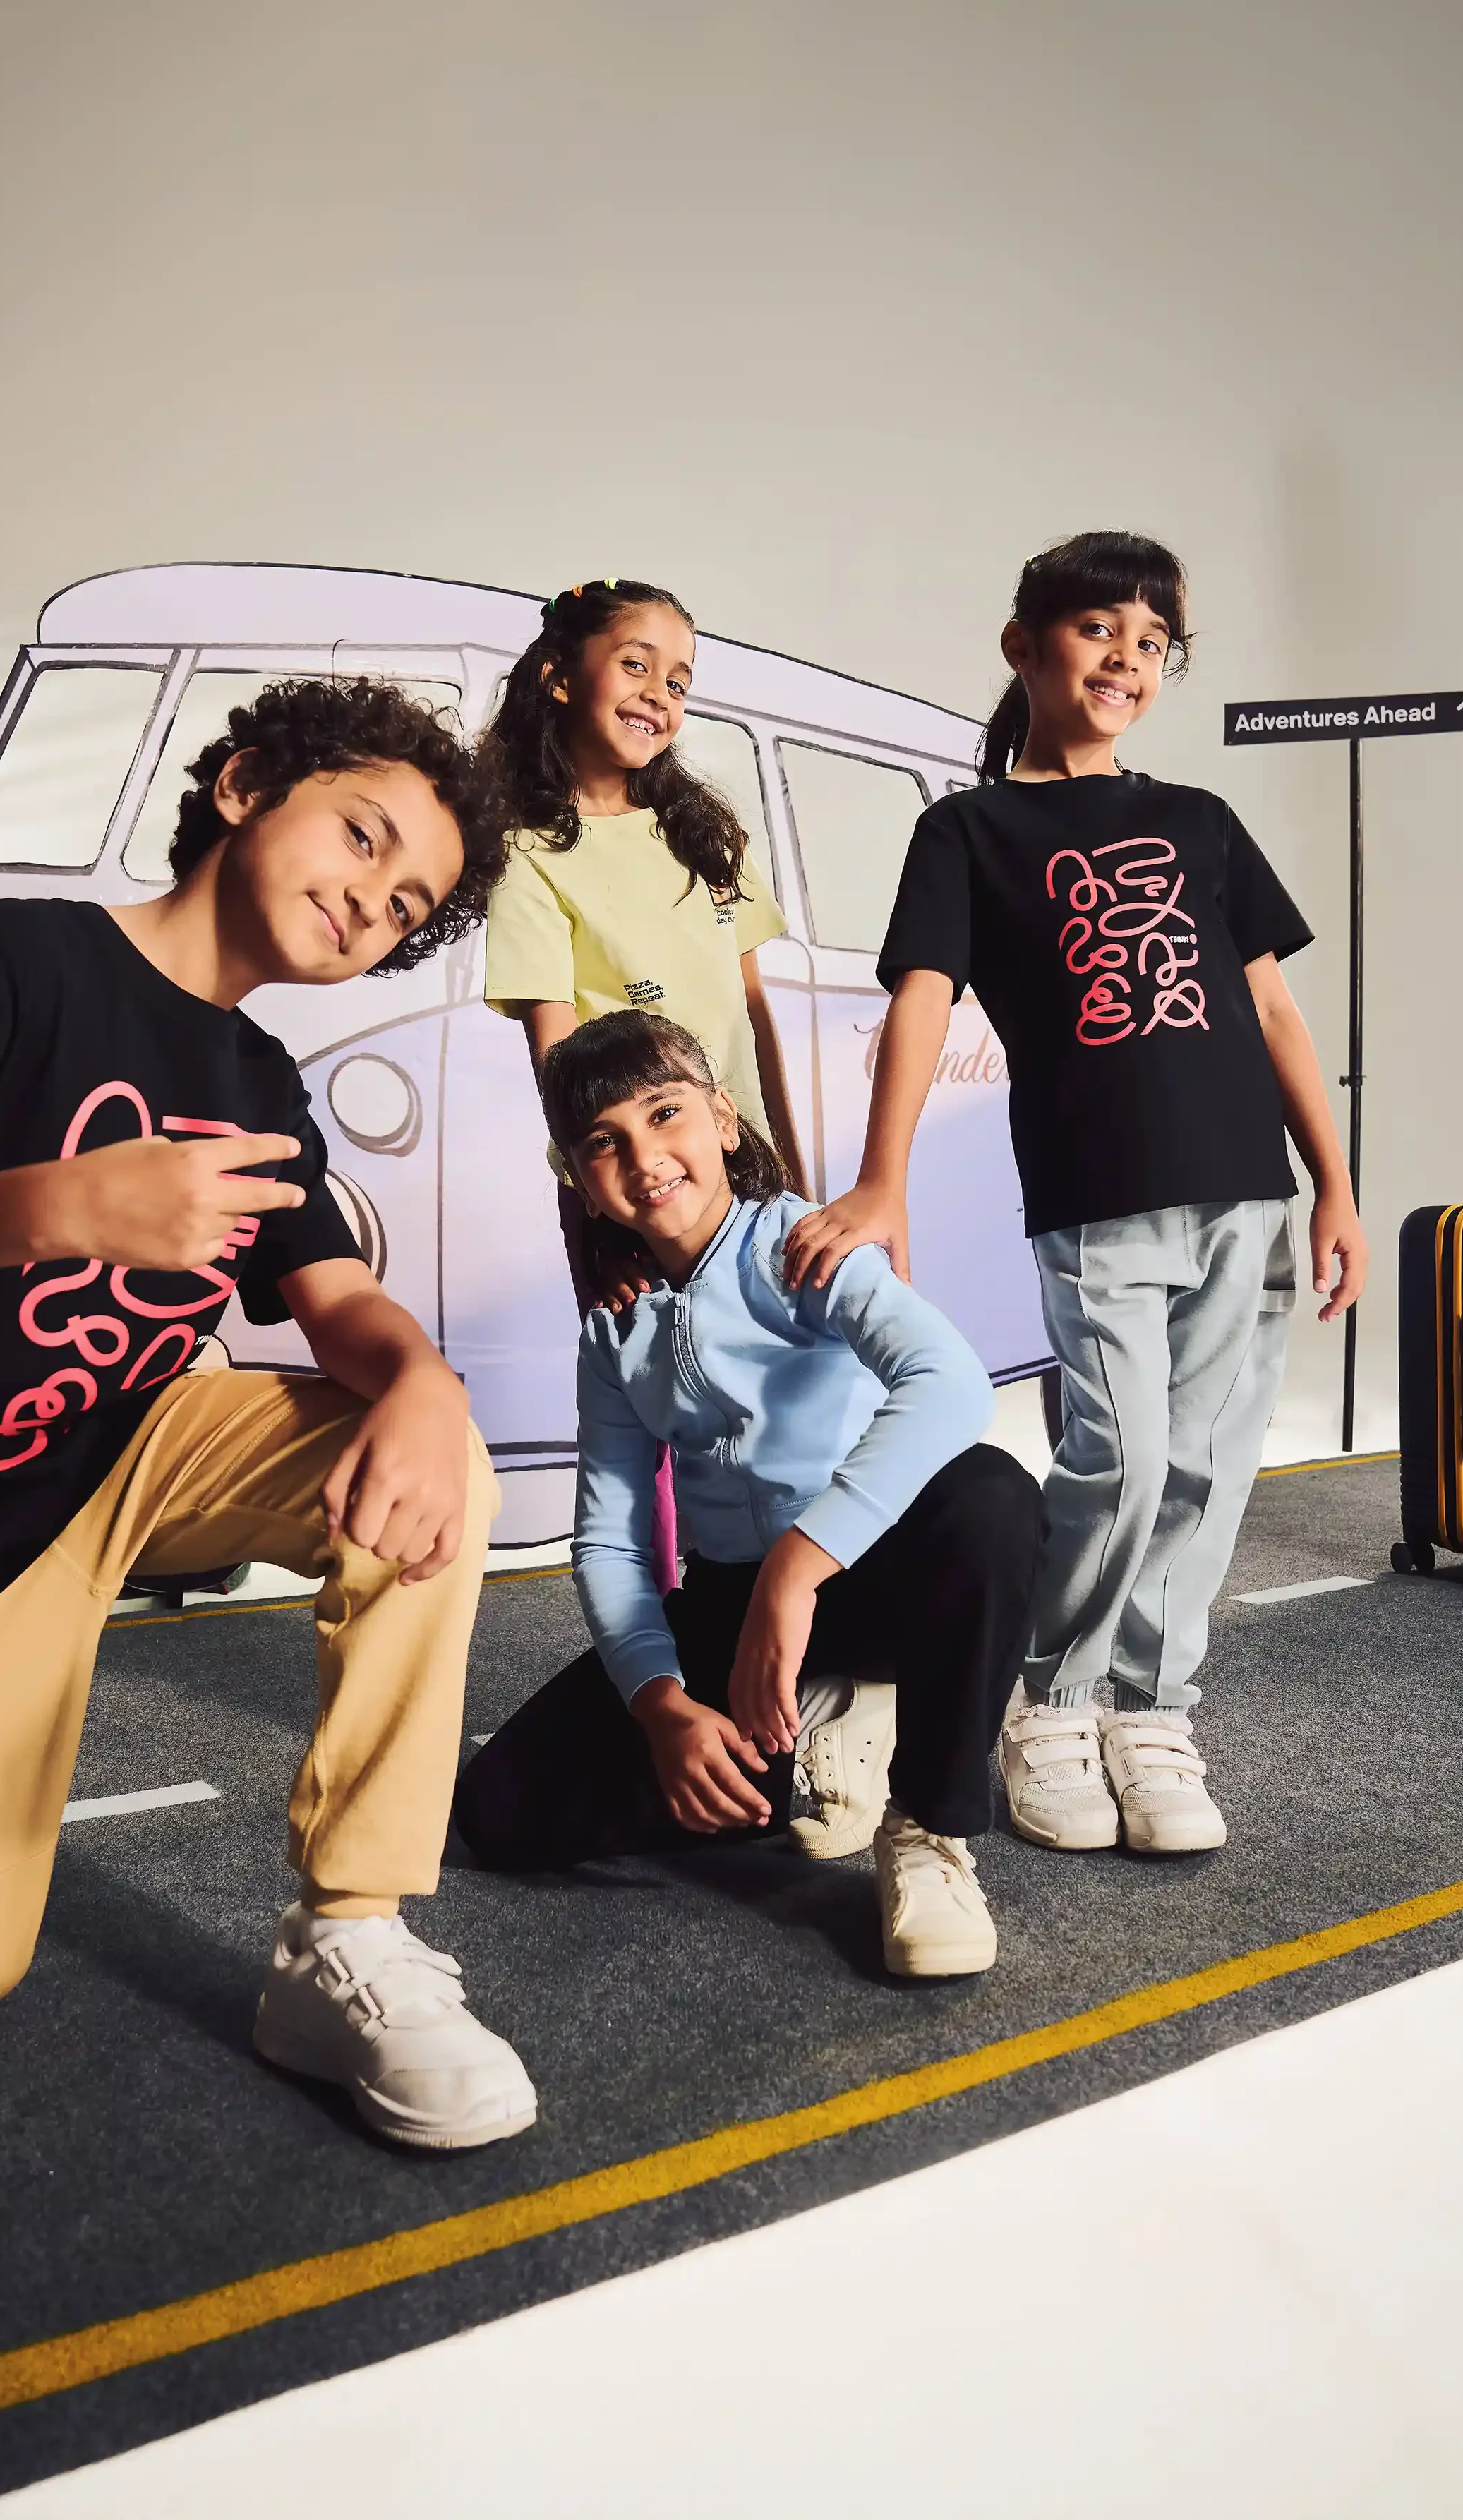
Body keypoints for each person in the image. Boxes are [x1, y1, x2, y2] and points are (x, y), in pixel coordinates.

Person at [0, 677, 536, 2152]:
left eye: (411, 901)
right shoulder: (22, 957)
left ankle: (349, 1937)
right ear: (244, 787)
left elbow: (337, 1301)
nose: (376, 904)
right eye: (363, 840)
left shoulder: (260, 1084)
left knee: (431, 1458)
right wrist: (62, 1205)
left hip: (124, 1460)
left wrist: (425, 1380)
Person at [785, 531, 1367, 1857]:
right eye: (1101, 629)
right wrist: (883, 1177)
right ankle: (1052, 1700)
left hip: (1245, 1190)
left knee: (1211, 1468)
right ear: (1025, 646)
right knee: (1124, 1453)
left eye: (1152, 643)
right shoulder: (970, 831)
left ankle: (1150, 1706)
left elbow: (1272, 1006)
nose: (1128, 659)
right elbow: (920, 1003)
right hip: (1098, 1197)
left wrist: (1332, 1183)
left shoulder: (1202, 823)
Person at [454, 1011, 1044, 1979]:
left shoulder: (800, 1244)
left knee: (993, 1499)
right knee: (501, 1812)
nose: (644, 1156)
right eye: (604, 1142)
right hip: (738, 1604)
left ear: (724, 1121)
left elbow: (951, 1381)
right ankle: (814, 1726)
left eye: (665, 1114)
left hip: (859, 1573)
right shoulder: (614, 1332)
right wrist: (660, 1708)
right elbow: (609, 1540)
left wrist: (797, 1568)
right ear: (580, 1181)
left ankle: (928, 1827)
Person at [480, 577, 809, 1593]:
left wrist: (796, 1169)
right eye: (636, 665)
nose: (661, 695)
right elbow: (553, 1047)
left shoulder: (704, 832)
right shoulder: (528, 851)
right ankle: (671, 1635)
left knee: (783, 1388)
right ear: (558, 676)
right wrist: (596, 1214)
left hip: (742, 1165)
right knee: (652, 1404)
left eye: (680, 679)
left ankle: (798, 1624)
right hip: (628, 1182)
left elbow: (756, 1016)